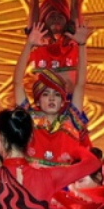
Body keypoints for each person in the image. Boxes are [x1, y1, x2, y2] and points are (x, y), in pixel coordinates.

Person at [14, 22, 92, 168]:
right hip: (33, 182)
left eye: (56, 94)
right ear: (37, 101)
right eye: (45, 94)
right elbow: (18, 83)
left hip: (66, 182)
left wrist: (82, 46)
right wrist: (28, 45)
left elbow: (80, 84)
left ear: (62, 101)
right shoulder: (29, 120)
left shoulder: (71, 120)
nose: (51, 98)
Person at [25, 0, 88, 84]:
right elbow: (33, 3)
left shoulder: (71, 37)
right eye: (52, 15)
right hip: (46, 91)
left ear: (67, 21)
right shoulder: (38, 37)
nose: (56, 18)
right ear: (44, 21)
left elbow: (75, 3)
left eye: (60, 16)